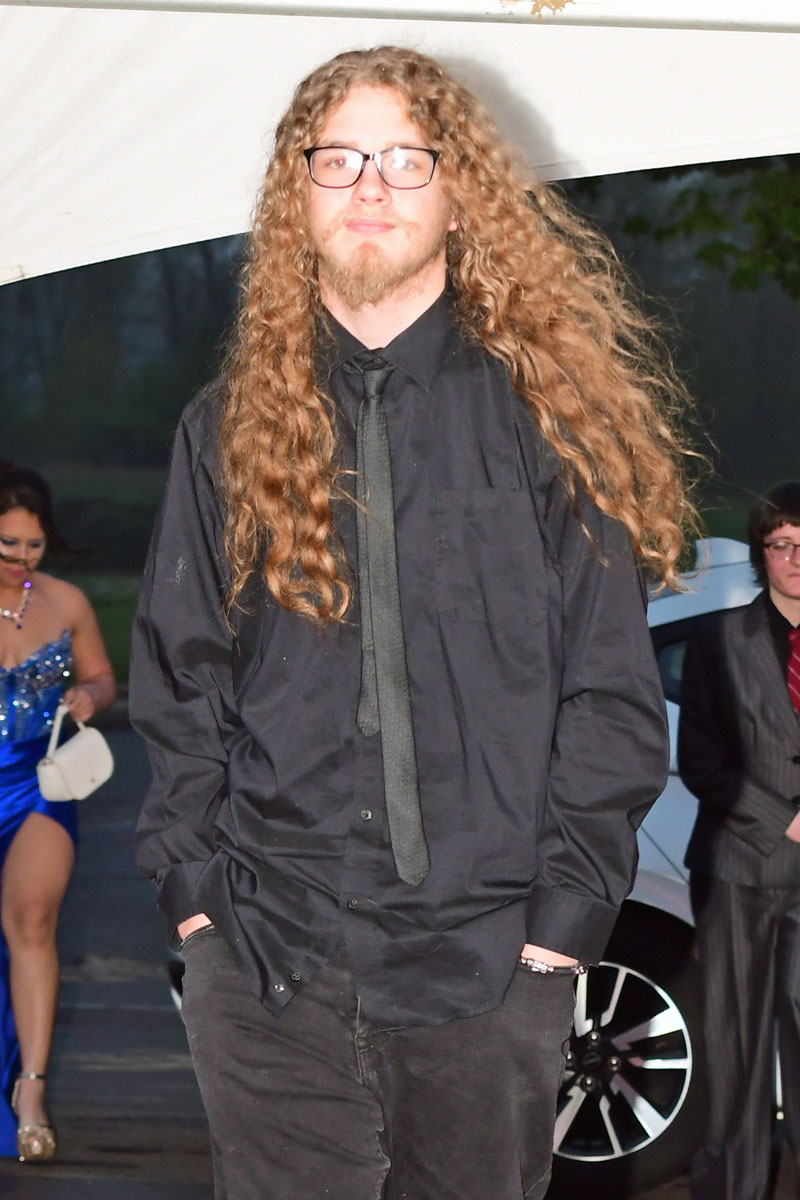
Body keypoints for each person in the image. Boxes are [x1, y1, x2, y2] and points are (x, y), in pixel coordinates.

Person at [131, 46, 695, 1200]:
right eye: (336, 159)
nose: (370, 186)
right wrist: (192, 901)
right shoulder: (225, 427)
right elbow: (179, 678)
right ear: (298, 192)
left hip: (488, 956)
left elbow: (609, 695)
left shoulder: (553, 420)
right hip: (265, 946)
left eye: (402, 156)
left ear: (457, 189)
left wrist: (559, 931)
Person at [678, 480, 800, 1200]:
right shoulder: (718, 640)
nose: (794, 560)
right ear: (763, 555)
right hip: (738, 870)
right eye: (781, 546)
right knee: (738, 1057)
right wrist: (782, 818)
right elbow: (701, 760)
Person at [0, 462, 115, 1162]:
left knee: (34, 920)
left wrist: (91, 699)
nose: (21, 559)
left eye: (33, 546)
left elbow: (101, 675)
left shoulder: (67, 603)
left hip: (38, 782)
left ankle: (32, 1091)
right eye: (7, 545)